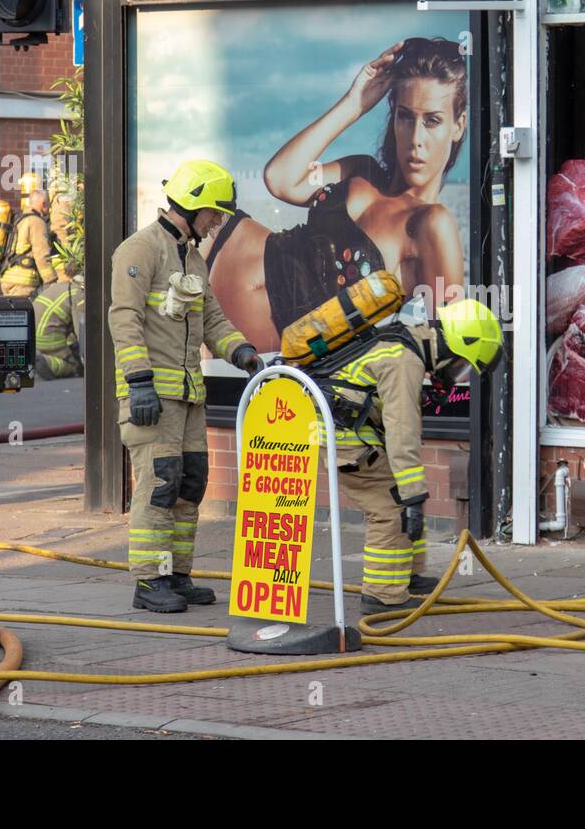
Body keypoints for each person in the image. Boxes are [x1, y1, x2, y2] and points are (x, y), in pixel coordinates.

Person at [206, 37, 468, 351]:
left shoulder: (430, 224)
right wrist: (354, 103)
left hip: (237, 349)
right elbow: (281, 179)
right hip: (213, 246)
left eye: (433, 121)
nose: (415, 138)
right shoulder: (361, 171)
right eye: (405, 116)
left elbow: (448, 349)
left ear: (458, 126)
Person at [109, 159, 263, 613]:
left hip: (190, 397)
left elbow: (211, 318)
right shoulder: (139, 250)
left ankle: (177, 573)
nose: (218, 221)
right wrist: (138, 382)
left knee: (190, 483)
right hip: (152, 396)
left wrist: (242, 353)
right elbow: (124, 318)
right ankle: (149, 581)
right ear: (194, 205)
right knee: (159, 484)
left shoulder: (192, 256)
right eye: (215, 212)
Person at [317, 298, 502, 615]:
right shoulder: (405, 361)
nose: (453, 375)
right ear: (450, 345)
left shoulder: (406, 341)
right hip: (348, 440)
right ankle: (382, 594)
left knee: (407, 494)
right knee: (391, 506)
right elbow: (403, 434)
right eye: (458, 365)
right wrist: (413, 496)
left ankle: (408, 575)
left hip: (355, 431)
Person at [0, 187, 58, 298]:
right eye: (48, 205)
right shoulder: (37, 222)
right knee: (24, 314)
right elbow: (41, 254)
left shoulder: (19, 219)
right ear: (44, 204)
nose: (49, 208)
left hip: (7, 278)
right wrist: (52, 281)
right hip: (24, 282)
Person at [34, 275, 86, 379]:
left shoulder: (64, 286)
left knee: (70, 348)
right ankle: (48, 363)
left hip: (34, 331)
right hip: (47, 335)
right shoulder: (79, 294)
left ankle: (45, 357)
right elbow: (81, 328)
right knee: (73, 365)